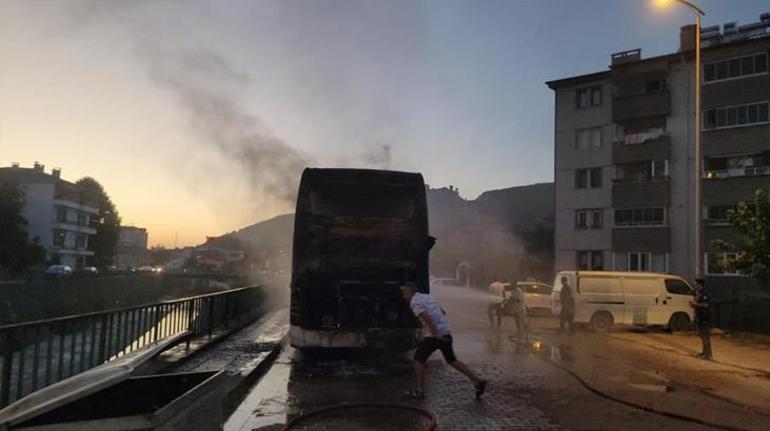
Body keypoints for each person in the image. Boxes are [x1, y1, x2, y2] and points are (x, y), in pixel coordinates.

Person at [400, 282, 487, 399]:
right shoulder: (427, 297)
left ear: (409, 291)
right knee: (452, 360)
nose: (402, 296)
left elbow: (426, 317)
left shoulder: (414, 302)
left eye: (403, 293)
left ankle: (419, 390)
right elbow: (442, 312)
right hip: (446, 333)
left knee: (418, 360)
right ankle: (477, 381)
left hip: (435, 336)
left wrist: (435, 333)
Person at [689, 278, 713, 360]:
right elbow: (697, 304)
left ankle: (708, 354)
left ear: (700, 285)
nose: (694, 286)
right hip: (700, 317)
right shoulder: (698, 293)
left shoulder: (705, 294)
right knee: (702, 336)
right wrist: (693, 305)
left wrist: (696, 304)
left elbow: (705, 305)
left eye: (695, 284)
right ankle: (704, 352)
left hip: (705, 317)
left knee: (706, 336)